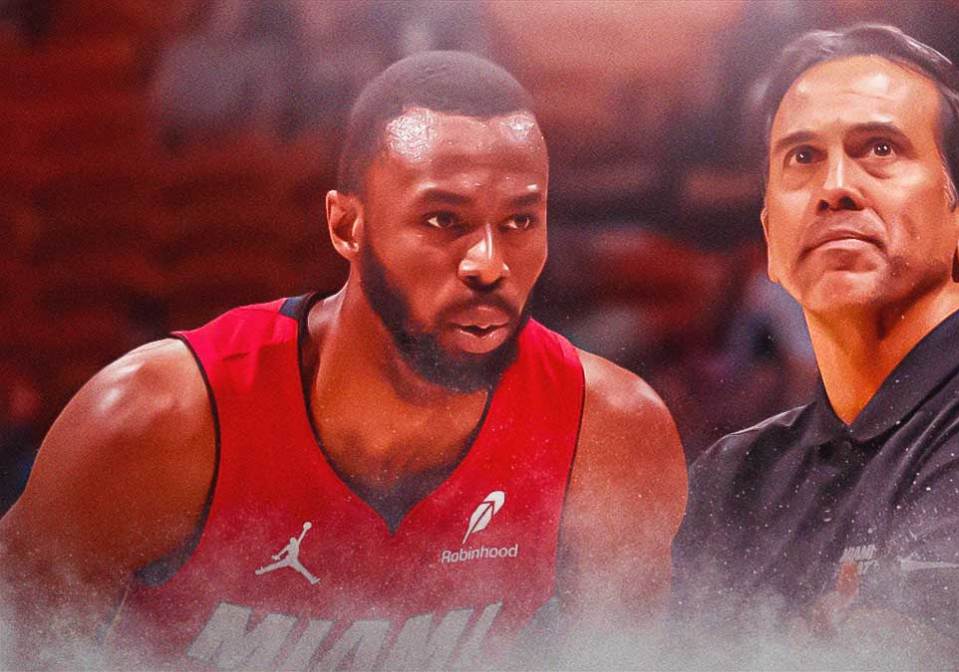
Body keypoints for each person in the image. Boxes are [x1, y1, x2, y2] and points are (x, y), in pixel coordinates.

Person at [0, 51, 687, 670]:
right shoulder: (153, 425)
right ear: (345, 226)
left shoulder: (610, 436)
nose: (489, 263)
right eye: (443, 220)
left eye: (520, 221)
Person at [672, 25, 959, 668]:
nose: (834, 188)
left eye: (878, 148)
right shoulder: (732, 474)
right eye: (801, 158)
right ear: (771, 240)